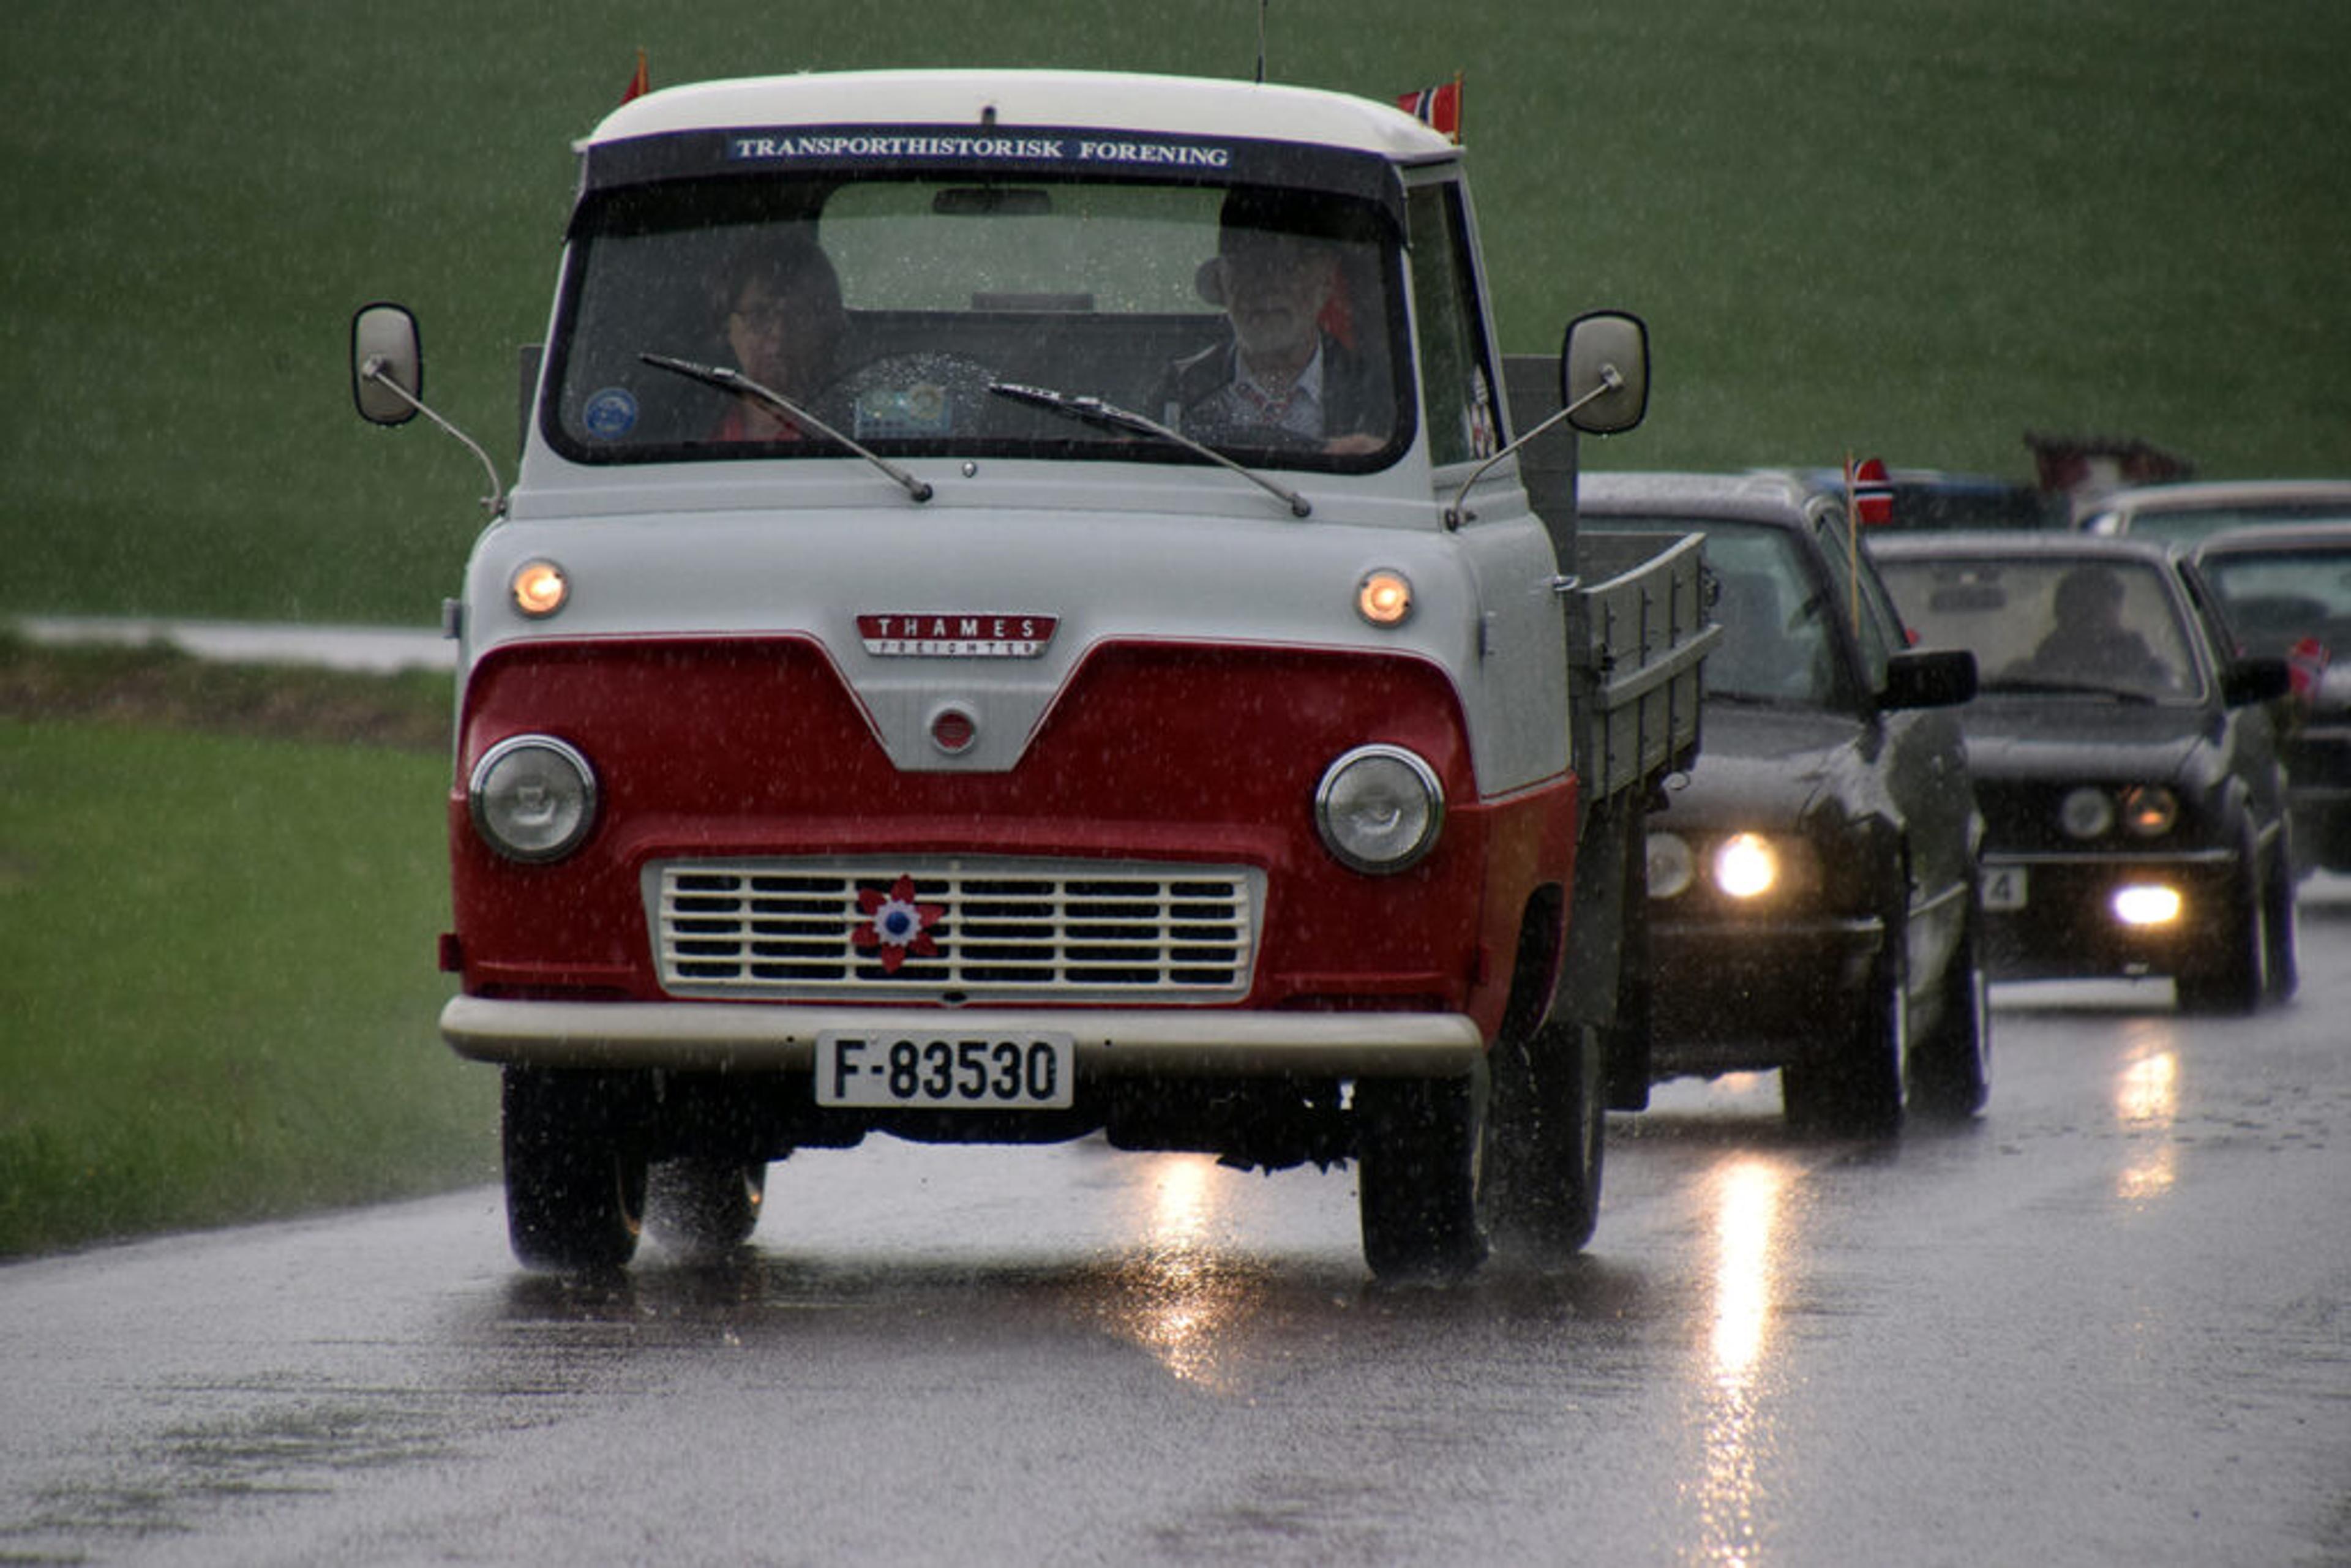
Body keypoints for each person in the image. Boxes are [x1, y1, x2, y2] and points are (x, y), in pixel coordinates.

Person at [1155, 189, 1390, 454]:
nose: (1266, 289)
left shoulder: (1376, 394)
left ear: (1325, 282)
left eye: (1287, 269)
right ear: (1223, 284)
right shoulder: (1180, 385)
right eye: (1247, 269)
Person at [707, 230, 848, 441]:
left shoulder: (853, 430)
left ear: (826, 327)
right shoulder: (683, 426)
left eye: (798, 315)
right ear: (728, 328)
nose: (778, 333)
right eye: (759, 316)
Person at [2017, 565, 2177, 690]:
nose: (2091, 621)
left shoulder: (2150, 670)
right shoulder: (2028, 676)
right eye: (2080, 608)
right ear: (2061, 612)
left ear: (2116, 609)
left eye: (2097, 608)